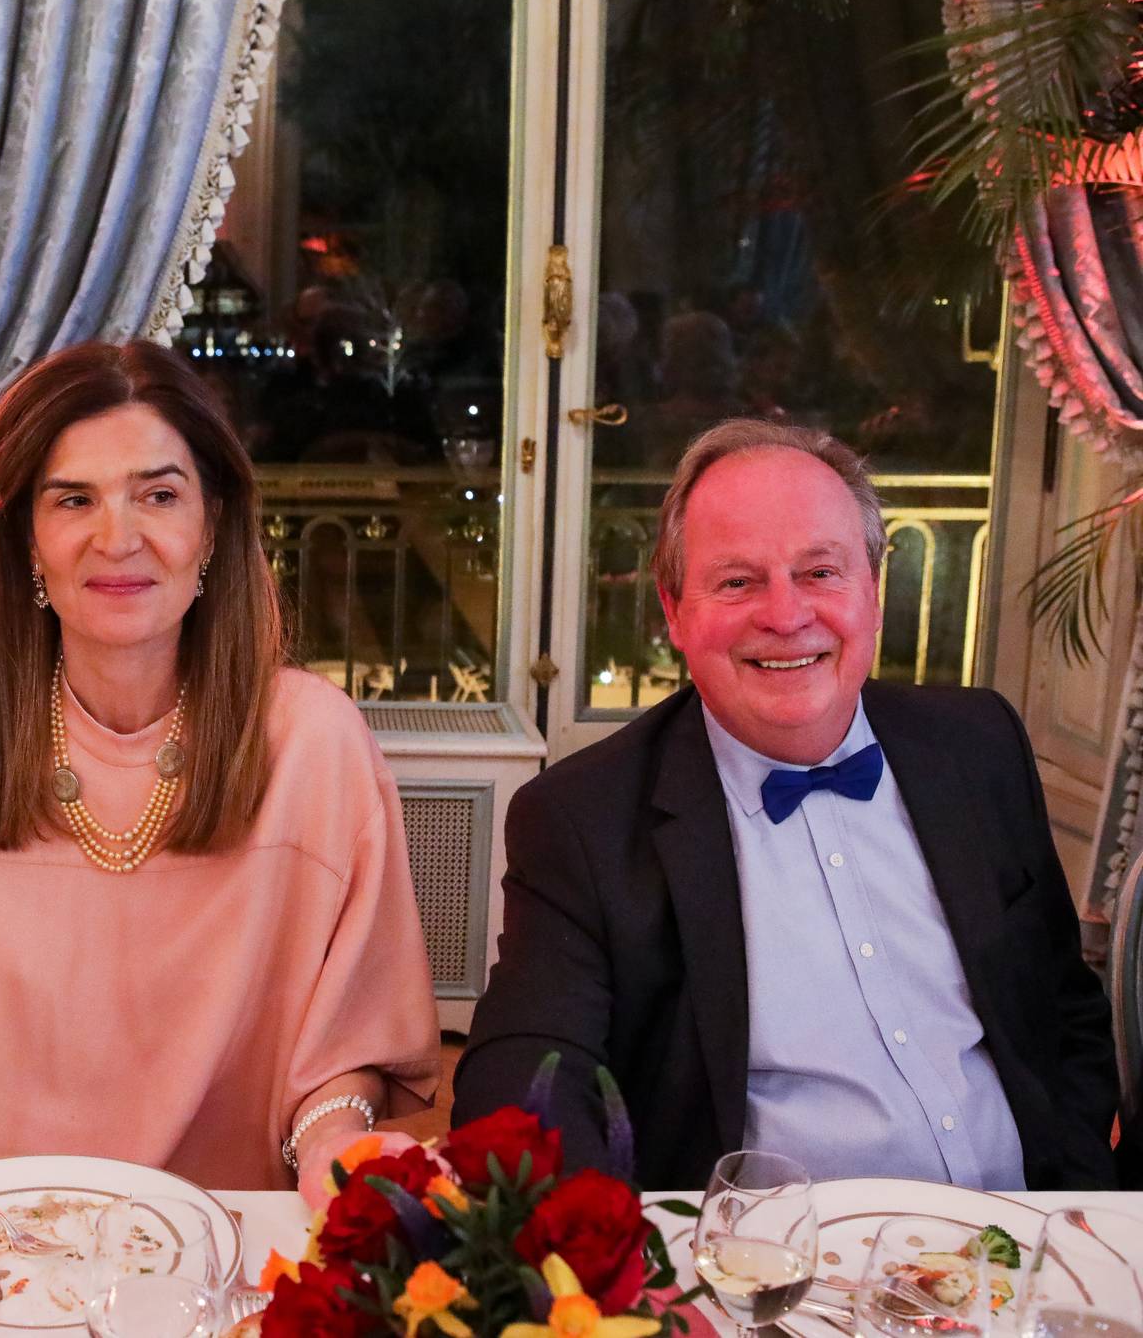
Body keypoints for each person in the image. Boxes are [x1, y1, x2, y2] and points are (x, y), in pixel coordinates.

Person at [452, 419, 1117, 1190]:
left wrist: (1071, 1203)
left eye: (820, 572)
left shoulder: (979, 746)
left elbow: (1065, 1010)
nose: (786, 615)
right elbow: (521, 1083)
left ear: (872, 590)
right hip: (771, 1255)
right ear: (674, 611)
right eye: (738, 582)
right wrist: (603, 1252)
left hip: (1018, 1235)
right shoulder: (583, 818)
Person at [0, 339, 440, 1193]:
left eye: (159, 495)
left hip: (239, 1232)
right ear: (27, 542)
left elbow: (346, 1055)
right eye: (74, 500)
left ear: (212, 526)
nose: (117, 538)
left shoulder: (314, 742)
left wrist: (329, 1145)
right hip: (14, 1233)